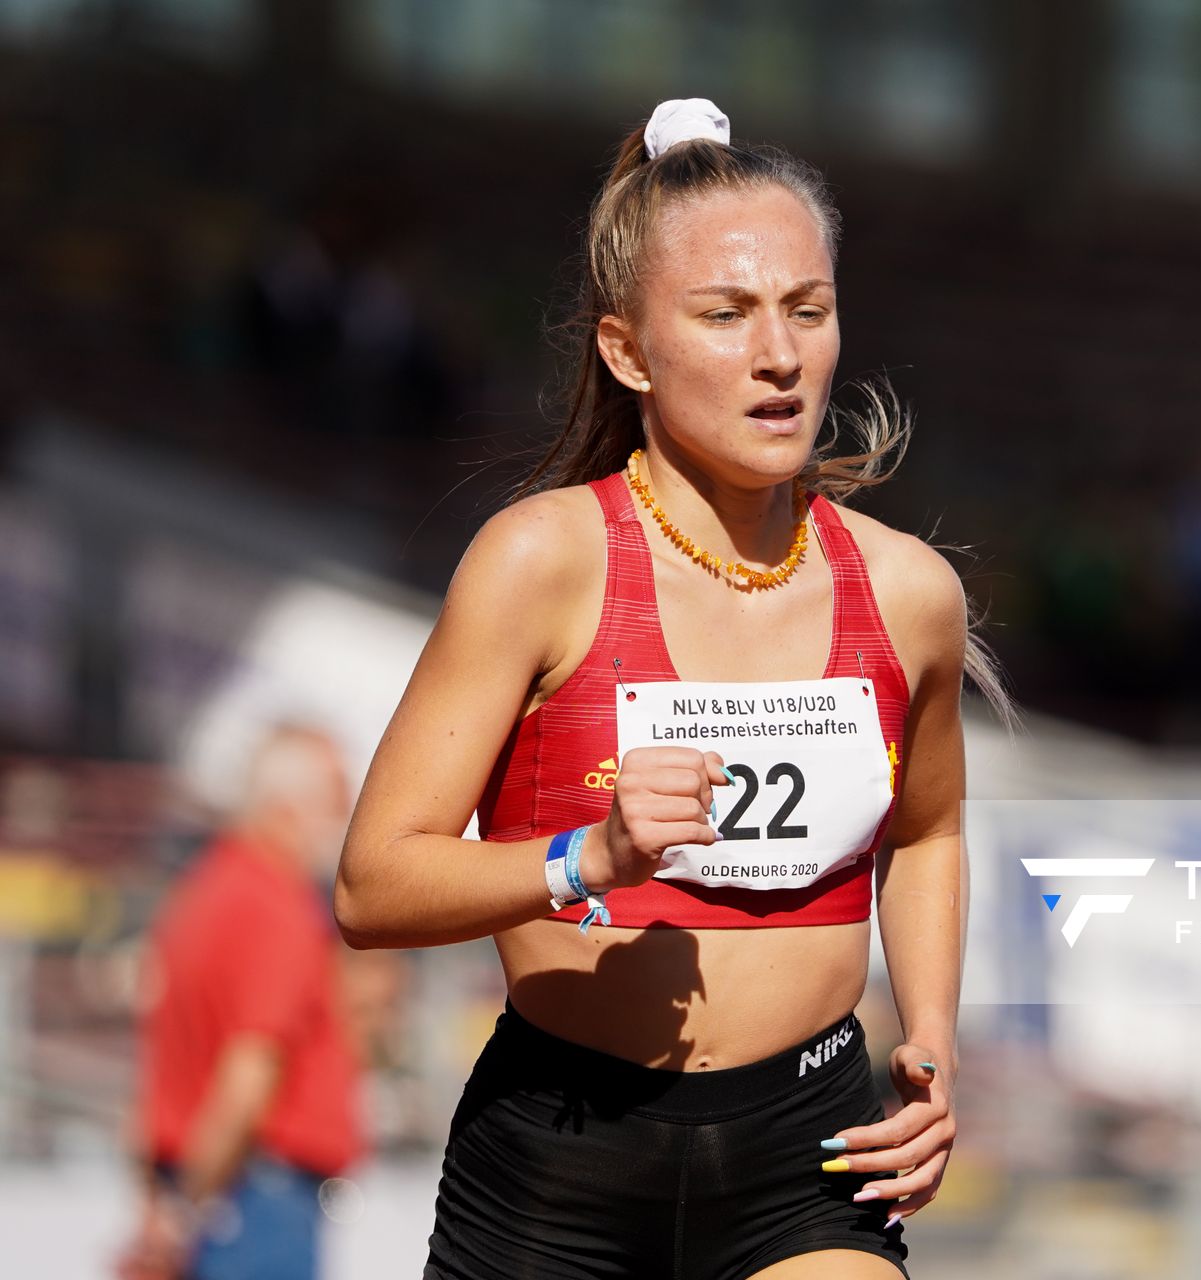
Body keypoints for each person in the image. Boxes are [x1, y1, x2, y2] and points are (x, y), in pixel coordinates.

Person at [335, 98, 1010, 1279]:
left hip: (809, 1156)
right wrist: (584, 857)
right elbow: (370, 883)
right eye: (726, 313)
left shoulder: (910, 593)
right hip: (558, 1167)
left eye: (808, 308)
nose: (779, 354)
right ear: (627, 350)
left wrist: (934, 1038)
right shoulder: (538, 562)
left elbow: (929, 829)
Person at [123, 723, 364, 1280]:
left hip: (206, 1186)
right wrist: (187, 1206)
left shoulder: (202, 891)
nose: (347, 818)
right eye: (336, 799)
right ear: (287, 808)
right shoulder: (274, 907)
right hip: (251, 1195)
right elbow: (250, 1074)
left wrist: (169, 1203)